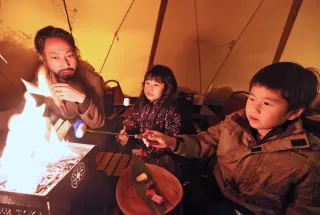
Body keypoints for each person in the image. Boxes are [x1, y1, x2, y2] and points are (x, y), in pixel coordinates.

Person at [142, 62, 320, 214]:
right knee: (165, 202)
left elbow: (304, 210)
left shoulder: (307, 159)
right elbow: (204, 142)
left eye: (267, 103)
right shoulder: (235, 124)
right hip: (213, 187)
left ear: (294, 112)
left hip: (248, 210)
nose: (254, 109)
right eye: (251, 98)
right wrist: (171, 141)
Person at [32, 26, 105, 133]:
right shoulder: (41, 79)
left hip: (84, 141)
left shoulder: (92, 80)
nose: (66, 64)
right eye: (55, 57)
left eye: (69, 55)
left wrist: (81, 99)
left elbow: (98, 123)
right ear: (42, 58)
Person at [117, 65, 181, 157]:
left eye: (156, 84)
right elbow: (132, 123)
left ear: (167, 88)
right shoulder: (141, 103)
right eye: (148, 83)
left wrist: (145, 152)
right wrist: (125, 134)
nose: (150, 88)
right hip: (136, 151)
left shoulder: (171, 110)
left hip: (159, 158)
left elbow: (172, 142)